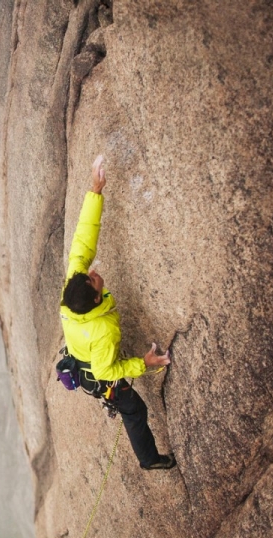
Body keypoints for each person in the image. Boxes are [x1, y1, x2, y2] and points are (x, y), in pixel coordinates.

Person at [59, 155, 176, 470]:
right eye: (94, 280)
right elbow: (105, 371)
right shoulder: (104, 332)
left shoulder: (73, 290)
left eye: (89, 275)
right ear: (97, 300)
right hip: (96, 371)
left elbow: (83, 242)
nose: (93, 272)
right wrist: (144, 363)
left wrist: (95, 191)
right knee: (134, 410)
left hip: (82, 348)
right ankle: (150, 460)